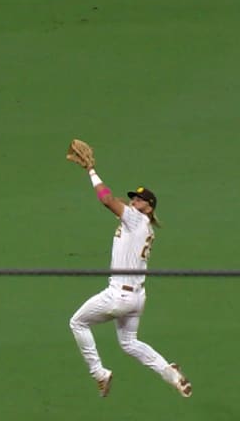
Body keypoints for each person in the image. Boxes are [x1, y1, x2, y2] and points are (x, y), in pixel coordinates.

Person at [67, 162, 192, 399]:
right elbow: (117, 203)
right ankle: (169, 372)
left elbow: (106, 199)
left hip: (119, 296)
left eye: (138, 200)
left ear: (148, 207)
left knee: (77, 323)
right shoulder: (143, 226)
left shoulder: (136, 219)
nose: (133, 201)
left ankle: (99, 373)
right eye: (132, 199)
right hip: (137, 298)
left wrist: (91, 171)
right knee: (129, 342)